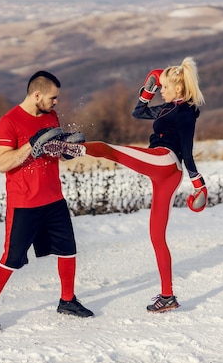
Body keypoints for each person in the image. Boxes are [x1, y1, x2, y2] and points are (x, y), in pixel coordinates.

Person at [82, 56, 207, 313]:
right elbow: (138, 112)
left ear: (179, 89)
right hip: (164, 171)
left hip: (166, 161)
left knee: (110, 150)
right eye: (160, 88)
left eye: (164, 87)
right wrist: (150, 85)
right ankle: (168, 296)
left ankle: (69, 147)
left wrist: (198, 184)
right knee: (156, 236)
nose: (161, 90)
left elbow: (187, 150)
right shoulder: (165, 109)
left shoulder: (186, 112)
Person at [0, 70, 94, 329]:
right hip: (24, 203)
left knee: (68, 250)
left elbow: (53, 152)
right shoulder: (8, 122)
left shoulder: (50, 116)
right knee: (11, 259)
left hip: (53, 198)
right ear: (36, 94)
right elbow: (3, 163)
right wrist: (31, 144)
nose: (56, 102)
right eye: (53, 97)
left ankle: (67, 300)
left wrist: (67, 152)